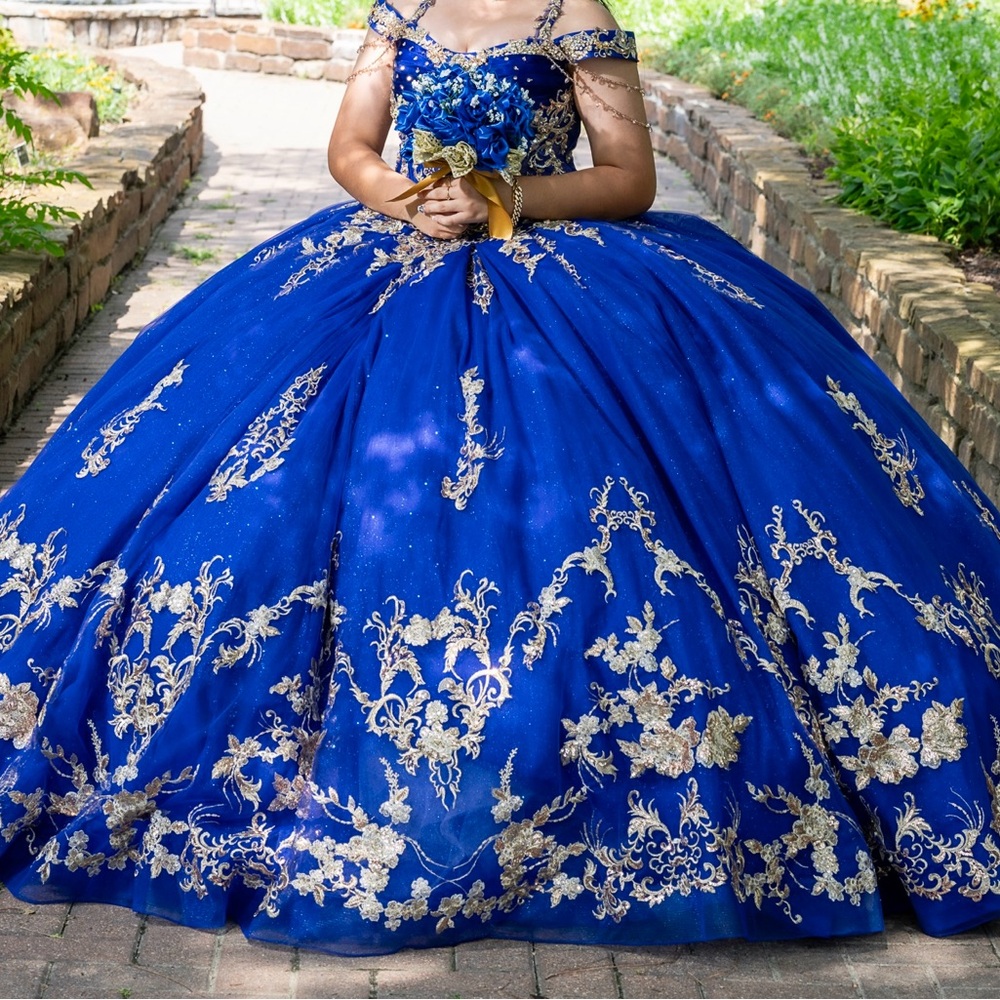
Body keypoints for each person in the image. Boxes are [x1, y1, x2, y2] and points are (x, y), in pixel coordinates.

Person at [0, 0, 999, 957]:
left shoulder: (573, 11)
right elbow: (351, 148)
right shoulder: (401, 10)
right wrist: (405, 197)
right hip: (397, 256)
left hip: (556, 263)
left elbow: (629, 178)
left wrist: (506, 197)